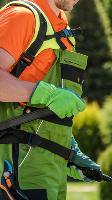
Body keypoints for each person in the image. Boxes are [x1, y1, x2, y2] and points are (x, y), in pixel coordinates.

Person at [0, 0, 100, 199]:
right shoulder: (22, 17)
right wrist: (46, 94)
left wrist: (68, 149)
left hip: (51, 165)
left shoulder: (63, 27)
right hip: (19, 163)